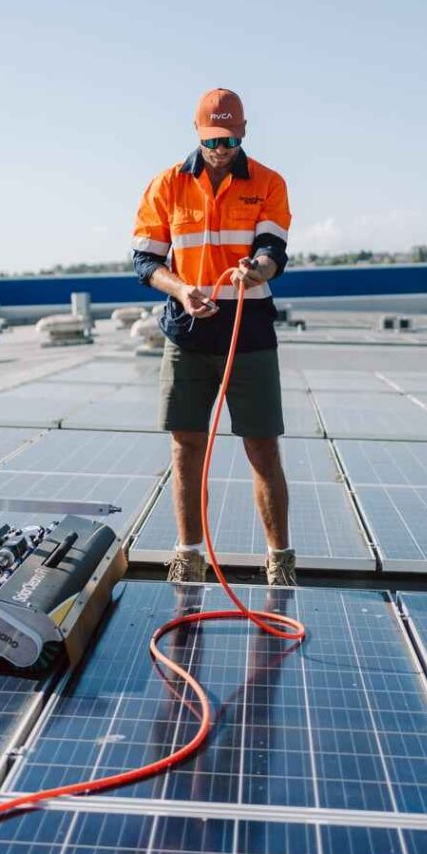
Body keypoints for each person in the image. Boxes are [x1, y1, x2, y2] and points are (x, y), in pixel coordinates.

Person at [132, 87, 296, 586]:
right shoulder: (167, 185)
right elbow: (146, 261)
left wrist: (258, 268)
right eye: (211, 139)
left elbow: (273, 249)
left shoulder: (268, 183)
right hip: (188, 333)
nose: (220, 149)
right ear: (197, 133)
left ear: (242, 132)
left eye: (228, 139)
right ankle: (188, 556)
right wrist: (181, 290)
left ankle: (280, 561)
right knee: (186, 446)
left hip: (249, 333)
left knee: (262, 447)